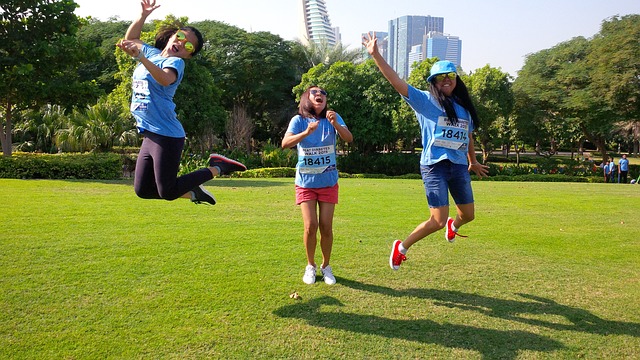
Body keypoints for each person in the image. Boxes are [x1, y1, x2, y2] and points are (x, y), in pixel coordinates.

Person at [363, 32, 489, 271]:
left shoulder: (465, 109)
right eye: (440, 77)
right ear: (433, 81)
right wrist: (376, 55)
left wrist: (473, 161)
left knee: (469, 215)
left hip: (459, 166)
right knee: (438, 221)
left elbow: (468, 135)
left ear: (456, 79)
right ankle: (402, 247)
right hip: (435, 166)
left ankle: (456, 226)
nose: (446, 80)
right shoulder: (425, 101)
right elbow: (397, 83)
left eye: (450, 76)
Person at [116, 0, 246, 205]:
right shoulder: (151, 53)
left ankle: (218, 167)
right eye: (181, 36)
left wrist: (141, 57)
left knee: (167, 191)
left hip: (166, 134)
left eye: (188, 46)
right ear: (172, 36)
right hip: (150, 132)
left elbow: (165, 79)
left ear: (188, 55)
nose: (181, 43)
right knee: (142, 190)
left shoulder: (175, 62)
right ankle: (194, 193)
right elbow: (131, 38)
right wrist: (143, 16)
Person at [281, 86, 353, 285]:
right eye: (314, 92)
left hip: (328, 182)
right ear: (307, 97)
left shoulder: (333, 118)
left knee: (326, 227)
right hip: (306, 183)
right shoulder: (299, 120)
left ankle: (326, 266)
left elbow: (349, 138)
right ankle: (310, 266)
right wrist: (306, 132)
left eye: (323, 93)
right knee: (310, 225)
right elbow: (285, 143)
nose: (319, 95)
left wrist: (336, 124)